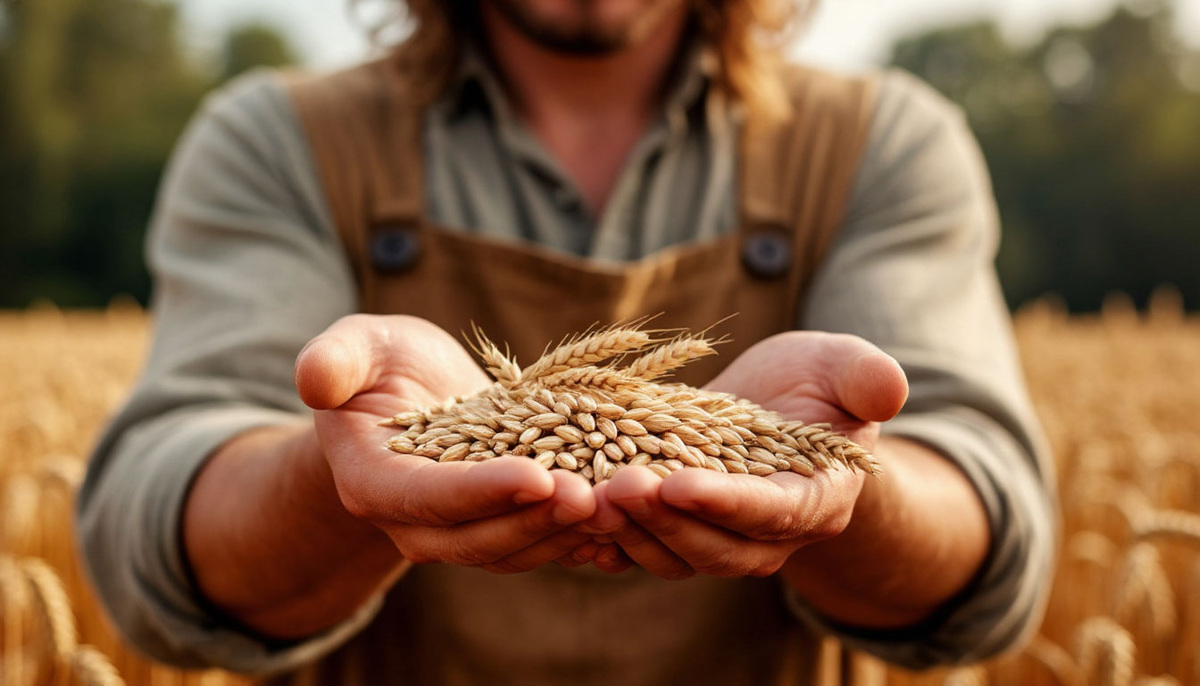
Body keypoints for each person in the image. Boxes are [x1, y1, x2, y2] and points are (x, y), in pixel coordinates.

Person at [77, 1, 1057, 683]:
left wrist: (839, 478)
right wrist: (336, 475)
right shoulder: (279, 138)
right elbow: (149, 538)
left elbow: (993, 544)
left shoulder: (881, 143)